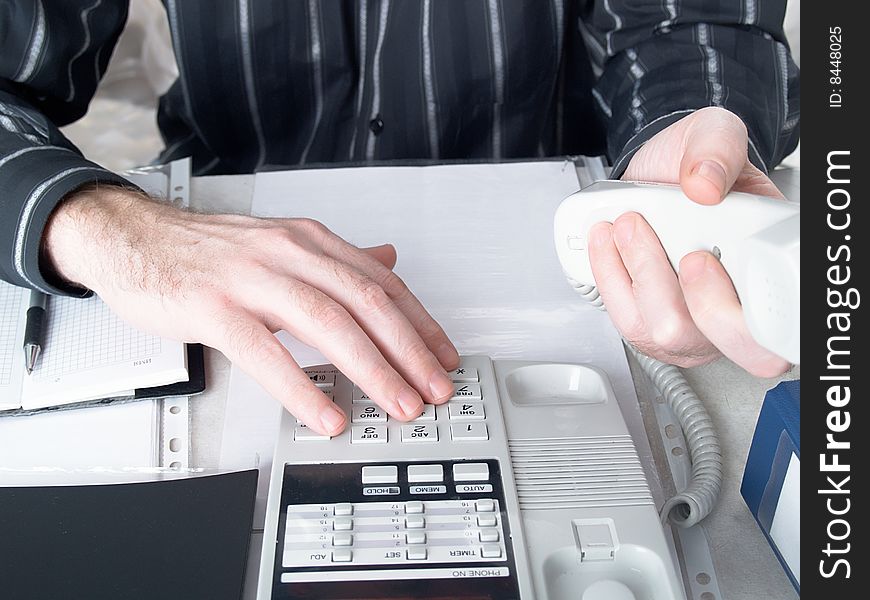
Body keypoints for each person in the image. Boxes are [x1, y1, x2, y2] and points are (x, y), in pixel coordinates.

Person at [0, 1, 799, 435]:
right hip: (216, 275)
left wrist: (692, 133)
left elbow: (689, 22)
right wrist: (104, 227)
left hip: (582, 256)